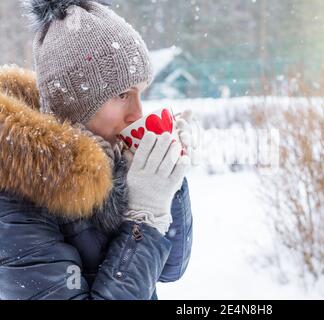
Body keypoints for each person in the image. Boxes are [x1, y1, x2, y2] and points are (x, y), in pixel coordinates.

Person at [0, 0, 196, 299]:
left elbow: (169, 268)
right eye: (122, 94)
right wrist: (143, 220)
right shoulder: (18, 198)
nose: (137, 114)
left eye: (140, 94)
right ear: (73, 103)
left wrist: (167, 179)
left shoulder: (113, 158)